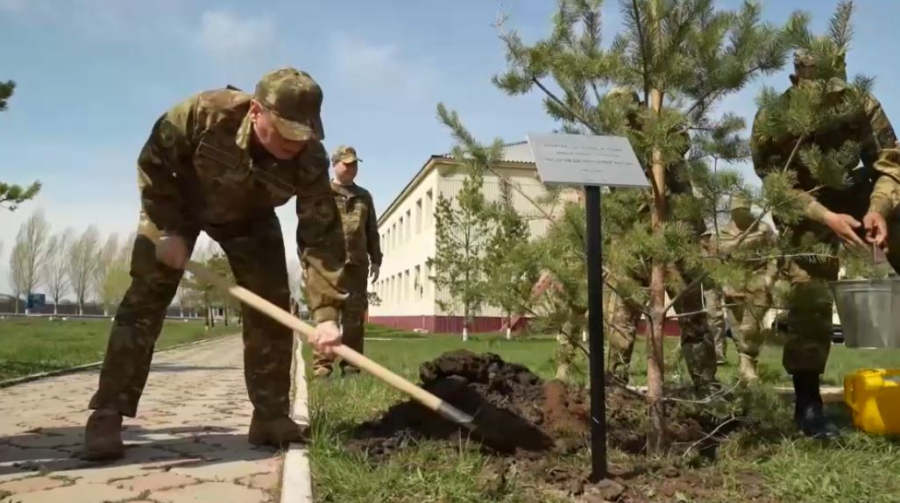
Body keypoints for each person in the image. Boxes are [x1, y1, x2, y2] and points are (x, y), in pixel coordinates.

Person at [83, 67, 348, 460]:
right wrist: (167, 229)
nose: (295, 144)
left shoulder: (309, 157)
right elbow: (154, 162)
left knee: (272, 307)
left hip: (251, 218)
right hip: (179, 204)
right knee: (145, 299)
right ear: (256, 111)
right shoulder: (204, 113)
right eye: (286, 132)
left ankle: (270, 416)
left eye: (303, 134)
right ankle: (108, 413)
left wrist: (326, 314)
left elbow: (320, 236)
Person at [751, 50, 900, 440]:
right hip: (805, 205)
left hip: (858, 193)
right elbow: (777, 185)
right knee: (809, 290)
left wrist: (879, 210)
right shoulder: (772, 117)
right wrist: (826, 217)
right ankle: (808, 405)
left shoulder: (862, 104)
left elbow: (890, 163)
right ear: (798, 81)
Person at [602, 87, 718, 389]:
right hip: (632, 236)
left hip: (675, 235)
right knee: (622, 315)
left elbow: (680, 141)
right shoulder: (612, 142)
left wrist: (650, 128)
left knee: (692, 314)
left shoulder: (663, 123)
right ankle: (614, 385)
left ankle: (705, 384)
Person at [311, 145, 382, 377]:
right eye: (347, 164)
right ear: (335, 164)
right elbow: (309, 229)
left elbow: (371, 230)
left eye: (354, 164)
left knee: (354, 319)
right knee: (327, 315)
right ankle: (322, 365)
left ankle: (351, 367)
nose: (352, 168)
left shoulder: (364, 196)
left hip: (356, 266)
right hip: (328, 267)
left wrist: (376, 260)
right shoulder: (322, 192)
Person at [705, 195, 778, 382]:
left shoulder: (763, 229)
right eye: (737, 210)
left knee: (750, 326)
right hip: (733, 283)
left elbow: (775, 255)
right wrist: (724, 284)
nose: (741, 214)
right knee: (737, 328)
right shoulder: (722, 233)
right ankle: (745, 369)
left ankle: (747, 368)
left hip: (758, 281)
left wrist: (769, 276)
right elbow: (714, 262)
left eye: (744, 210)